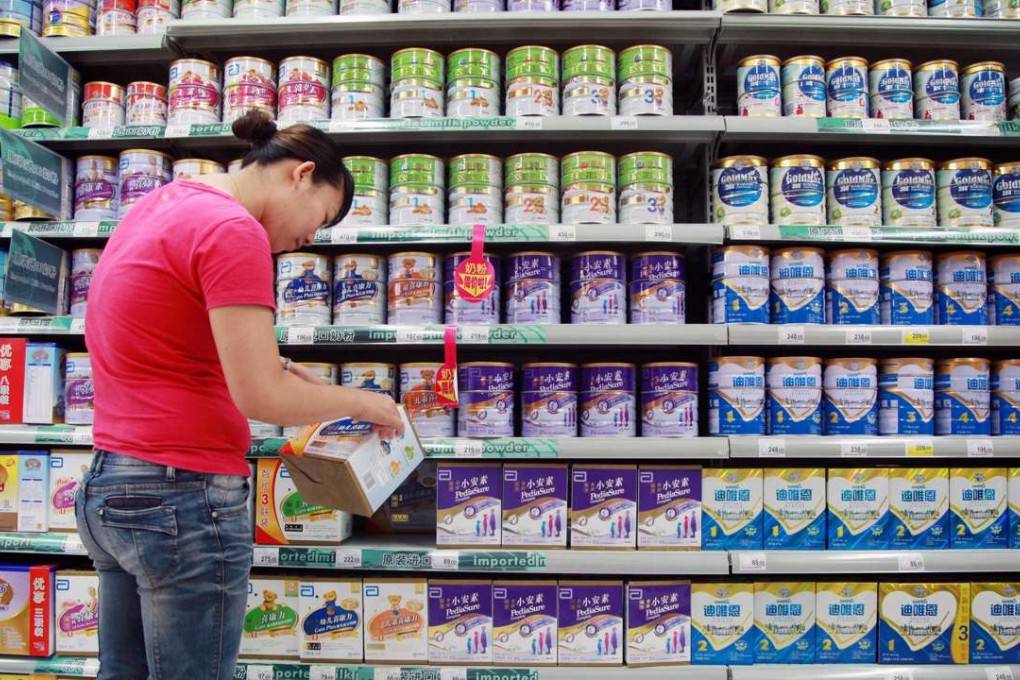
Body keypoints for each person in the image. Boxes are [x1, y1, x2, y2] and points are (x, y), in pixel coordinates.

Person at [75, 109, 403, 680]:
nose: (309, 239)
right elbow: (262, 399)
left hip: (112, 485)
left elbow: (153, 325)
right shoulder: (234, 229)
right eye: (320, 218)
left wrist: (275, 366)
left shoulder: (169, 202)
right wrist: (362, 402)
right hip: (180, 498)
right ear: (301, 174)